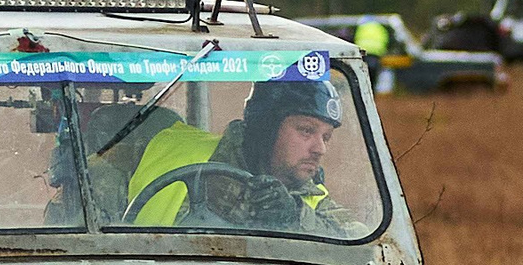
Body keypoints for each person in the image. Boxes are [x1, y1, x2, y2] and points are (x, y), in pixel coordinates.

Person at [122, 73, 356, 236]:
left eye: (326, 137)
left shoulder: (307, 196)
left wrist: (294, 217)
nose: (320, 149)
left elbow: (366, 244)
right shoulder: (163, 146)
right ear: (267, 127)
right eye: (306, 130)